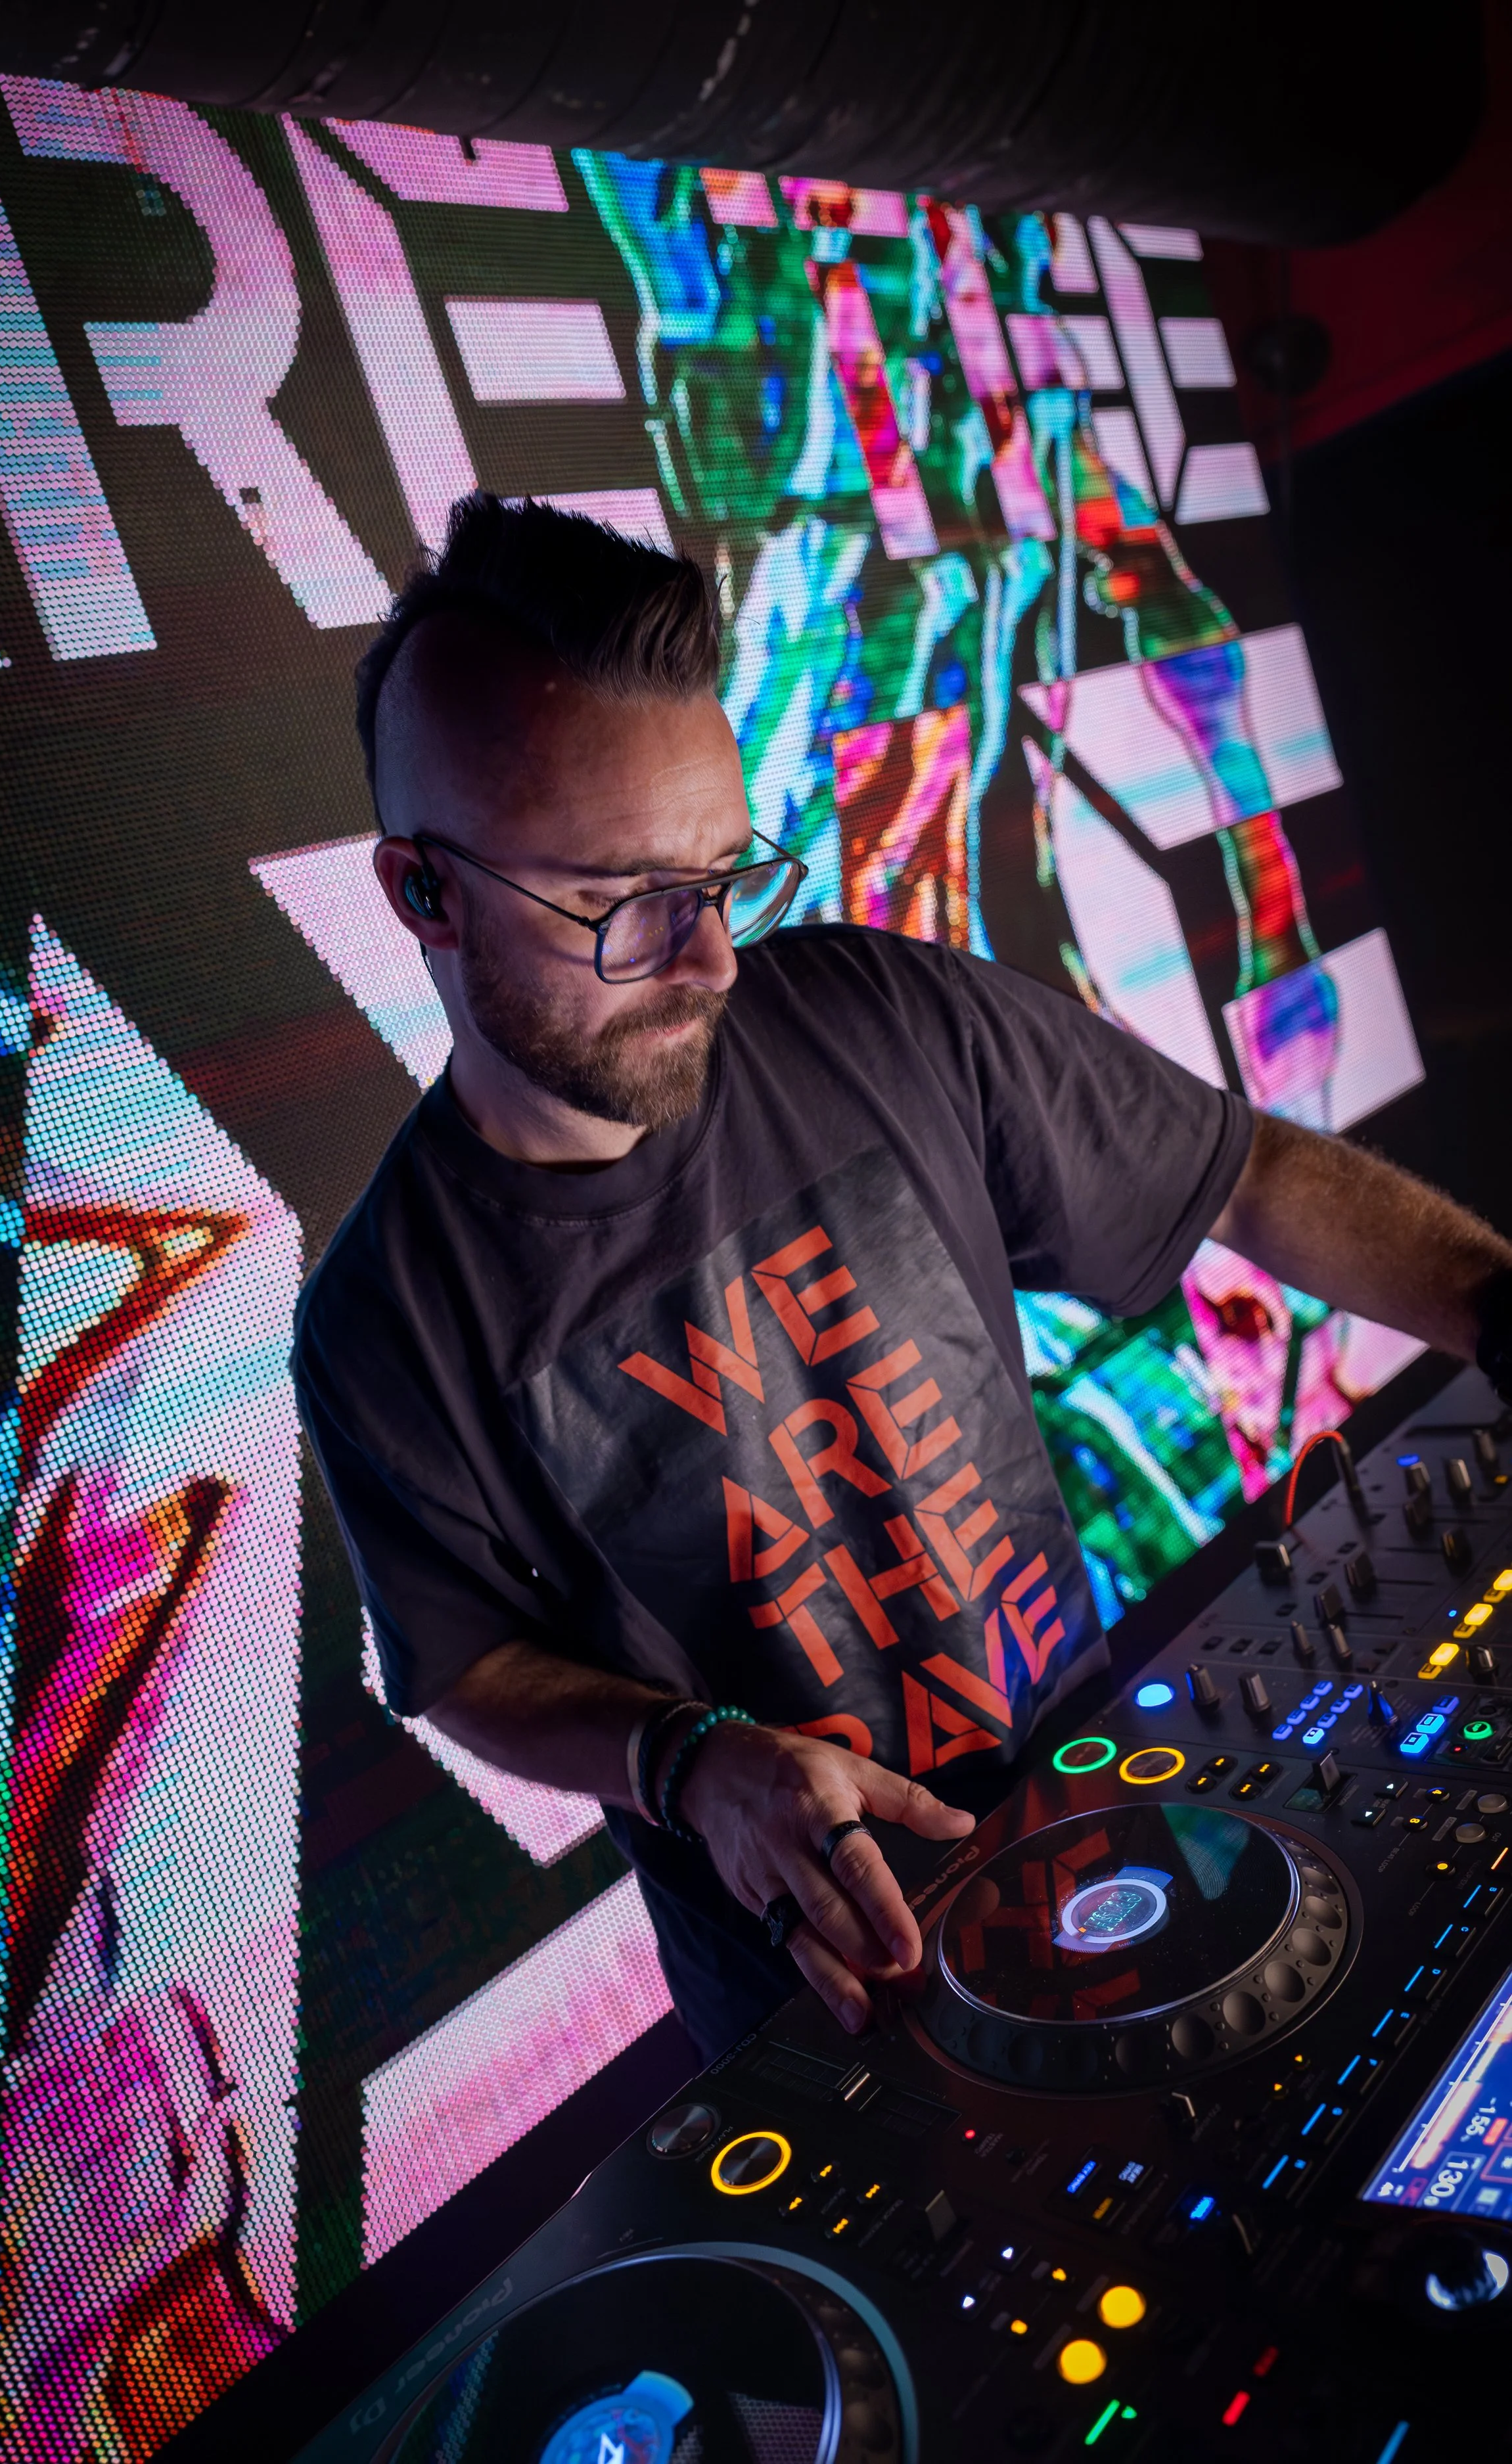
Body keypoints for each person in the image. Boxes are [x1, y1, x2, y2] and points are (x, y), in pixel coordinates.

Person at [292, 493, 1512, 2065]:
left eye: (722, 877)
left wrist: (1495, 1306)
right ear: (424, 894)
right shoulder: (387, 1320)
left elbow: (1249, 1177)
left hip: (1128, 1821)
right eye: (617, 906)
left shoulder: (879, 1014)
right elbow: (470, 1670)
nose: (708, 957)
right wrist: (688, 1763)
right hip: (839, 2009)